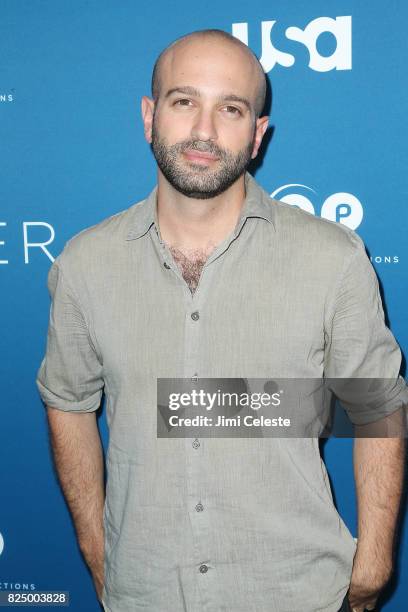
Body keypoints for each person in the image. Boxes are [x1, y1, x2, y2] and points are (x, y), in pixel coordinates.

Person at [36, 29, 407, 612]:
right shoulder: (86, 265)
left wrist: (376, 558)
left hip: (300, 593)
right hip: (146, 593)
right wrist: (97, 550)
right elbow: (67, 401)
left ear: (257, 135)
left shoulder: (332, 257)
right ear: (149, 115)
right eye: (185, 102)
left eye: (231, 109)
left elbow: (378, 404)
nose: (204, 131)